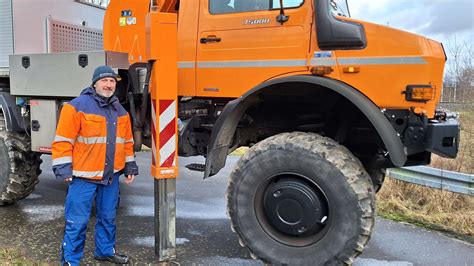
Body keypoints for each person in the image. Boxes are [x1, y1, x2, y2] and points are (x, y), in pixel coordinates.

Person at [52, 65, 138, 265]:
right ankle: (71, 261)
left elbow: (127, 142)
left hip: (111, 177)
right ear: (94, 83)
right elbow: (63, 140)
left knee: (108, 217)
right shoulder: (76, 106)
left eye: (112, 81)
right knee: (78, 222)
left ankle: (105, 251)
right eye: (104, 81)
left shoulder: (121, 111)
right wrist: (64, 169)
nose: (109, 85)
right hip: (83, 177)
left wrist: (129, 167)